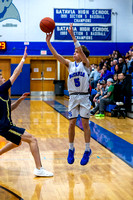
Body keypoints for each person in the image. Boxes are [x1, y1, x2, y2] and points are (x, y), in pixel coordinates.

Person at [0, 47, 53, 177]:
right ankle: (39, 169)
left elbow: (9, 108)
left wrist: (20, 100)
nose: (3, 78)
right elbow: (16, 73)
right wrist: (23, 58)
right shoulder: (1, 89)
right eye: (1, 77)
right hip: (5, 127)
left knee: (17, 142)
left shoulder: (3, 93)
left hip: (4, 126)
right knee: (33, 139)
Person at [46, 24, 92, 166]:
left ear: (81, 54)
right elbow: (56, 55)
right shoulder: (69, 65)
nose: (74, 53)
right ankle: (71, 148)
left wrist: (73, 36)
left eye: (76, 52)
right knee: (71, 123)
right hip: (73, 97)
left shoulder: (86, 64)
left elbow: (81, 52)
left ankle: (87, 149)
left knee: (84, 123)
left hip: (84, 97)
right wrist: (48, 42)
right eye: (74, 52)